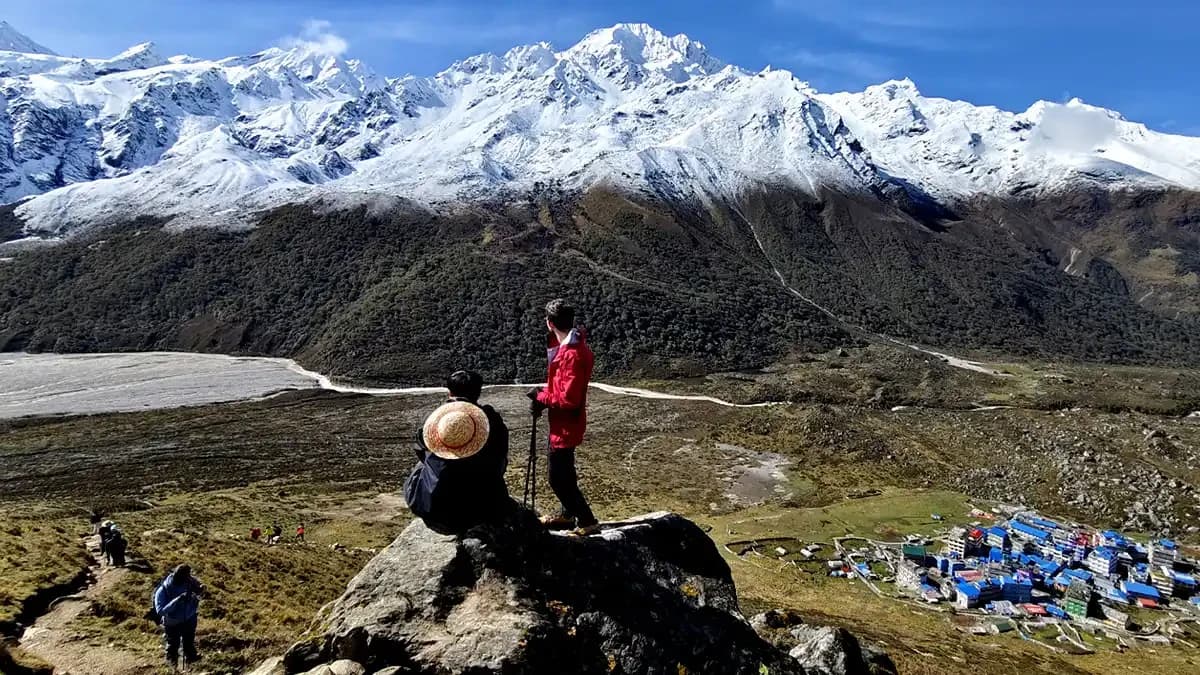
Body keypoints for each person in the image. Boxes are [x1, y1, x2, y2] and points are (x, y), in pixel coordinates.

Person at [404, 370, 511, 535]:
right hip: (481, 514)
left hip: (435, 515)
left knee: (424, 463)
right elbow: (501, 456)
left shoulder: (436, 421)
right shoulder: (492, 422)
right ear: (478, 392)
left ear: (450, 392)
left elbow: (419, 447)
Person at [527, 299, 600, 536]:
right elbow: (562, 390)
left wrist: (541, 397)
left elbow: (568, 400)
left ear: (549, 323)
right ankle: (568, 516)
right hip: (563, 423)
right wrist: (544, 395)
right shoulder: (573, 347)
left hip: (565, 426)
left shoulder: (572, 354)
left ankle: (587, 521)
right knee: (565, 473)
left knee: (558, 480)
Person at [153, 564, 204, 668]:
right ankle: (172, 667)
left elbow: (198, 588)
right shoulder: (163, 590)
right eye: (187, 577)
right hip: (173, 622)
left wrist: (201, 589)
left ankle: (192, 664)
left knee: (189, 642)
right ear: (179, 577)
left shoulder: (188, 580)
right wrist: (177, 600)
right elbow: (160, 611)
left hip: (189, 618)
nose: (189, 578)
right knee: (173, 645)